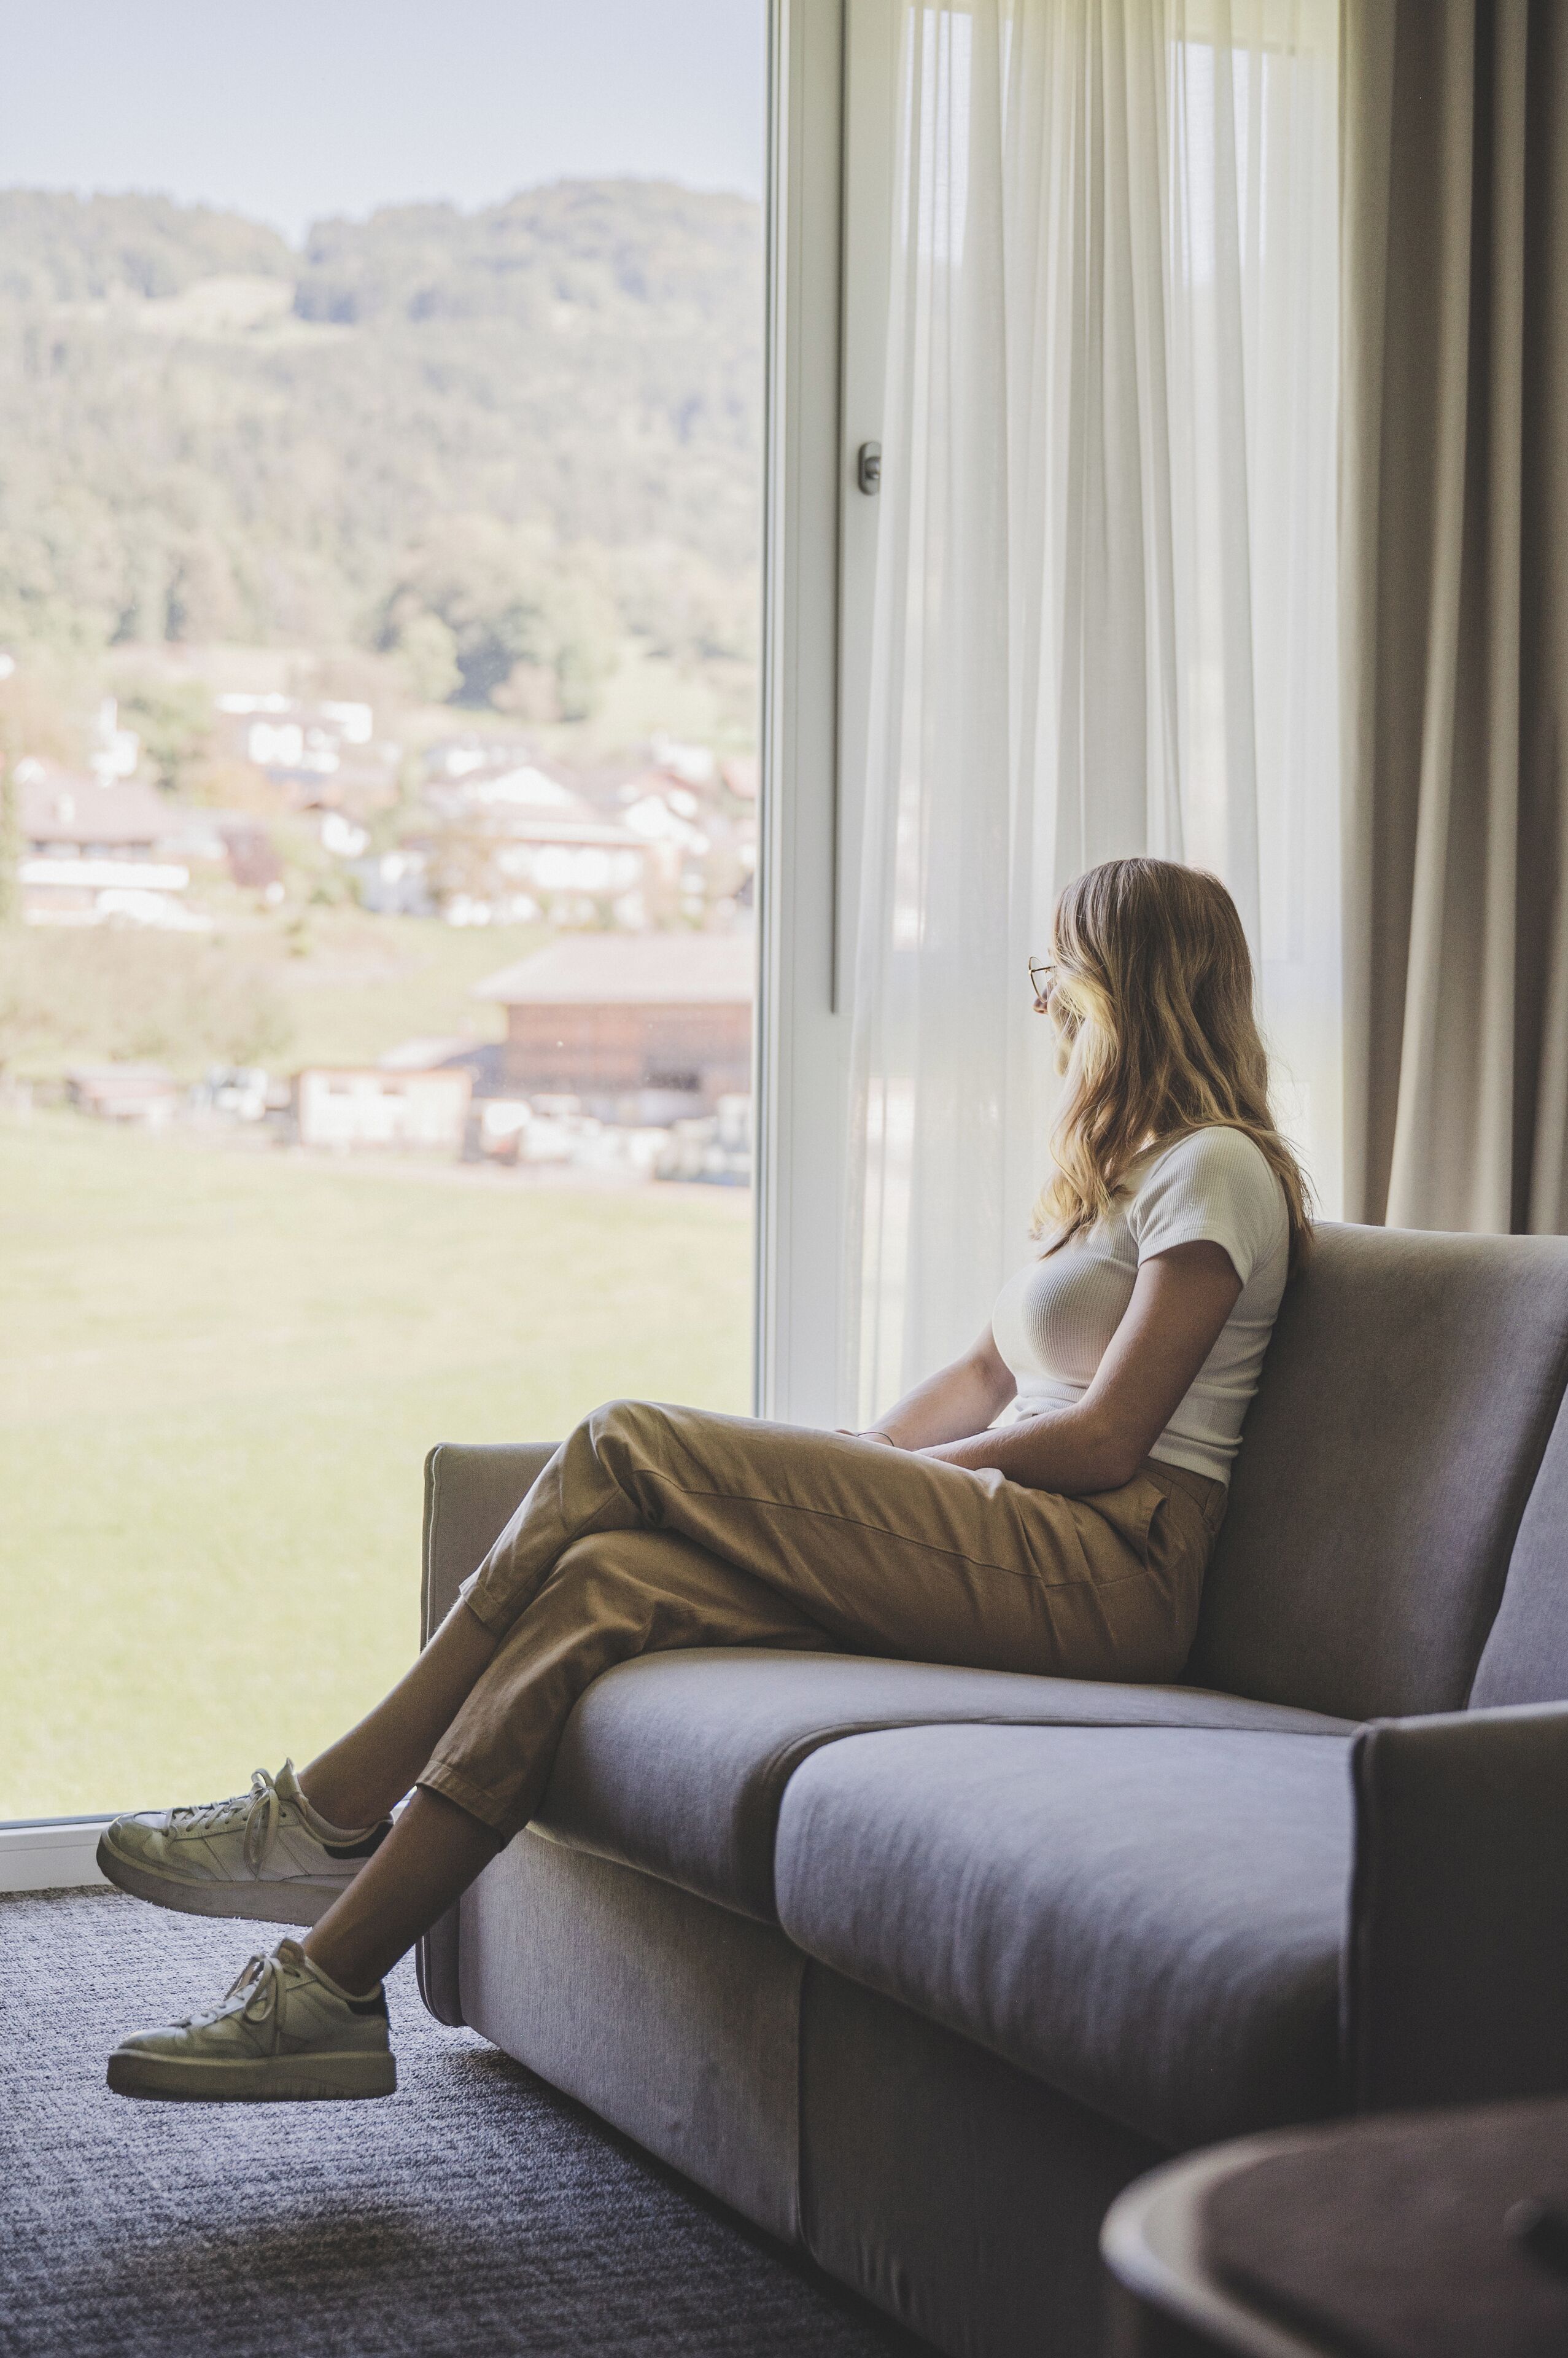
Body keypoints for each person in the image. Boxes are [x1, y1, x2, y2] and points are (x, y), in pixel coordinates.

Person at [99, 855, 1310, 2103]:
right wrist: (856, 1475)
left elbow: (1110, 1438)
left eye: (1059, 969)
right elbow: (979, 1377)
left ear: (1130, 984)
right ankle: (328, 1990)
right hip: (1018, 1536)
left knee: (623, 1437)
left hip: (1108, 1564)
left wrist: (908, 1488)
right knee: (605, 1586)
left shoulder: (1215, 1168)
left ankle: (328, 1808)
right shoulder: (1112, 1181)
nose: (1042, 1000)